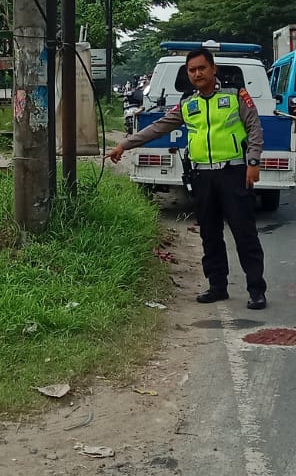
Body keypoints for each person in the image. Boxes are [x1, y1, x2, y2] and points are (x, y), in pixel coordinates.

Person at [106, 46, 267, 309]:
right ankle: (217, 286)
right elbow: (158, 128)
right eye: (192, 70)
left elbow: (254, 127)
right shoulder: (187, 103)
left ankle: (256, 290)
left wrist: (253, 161)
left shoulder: (236, 95)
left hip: (234, 173)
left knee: (244, 233)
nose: (197, 74)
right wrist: (124, 145)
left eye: (202, 68)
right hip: (202, 176)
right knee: (209, 234)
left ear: (213, 69)